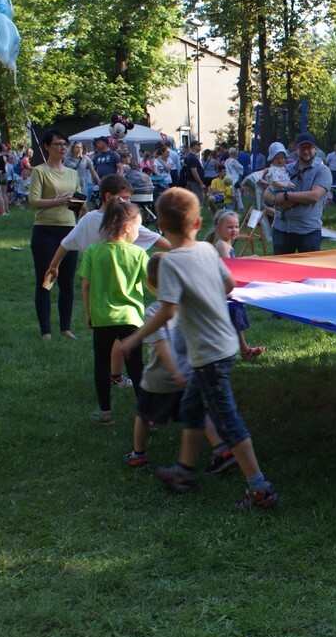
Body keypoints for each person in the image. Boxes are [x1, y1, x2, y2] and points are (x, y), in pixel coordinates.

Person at [119, 187, 279, 510]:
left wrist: (135, 338)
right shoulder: (208, 252)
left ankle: (259, 488)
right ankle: (184, 471)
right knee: (192, 409)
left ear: (161, 226)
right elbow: (230, 284)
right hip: (219, 345)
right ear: (198, 222)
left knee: (228, 420)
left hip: (209, 354)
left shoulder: (171, 263)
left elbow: (165, 311)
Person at [47, 174, 171, 387]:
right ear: (108, 196)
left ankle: (114, 378)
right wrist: (54, 265)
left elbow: (155, 239)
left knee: (113, 339)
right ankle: (120, 379)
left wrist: (54, 264)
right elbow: (66, 243)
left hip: (100, 294)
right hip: (118, 292)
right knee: (121, 338)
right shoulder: (115, 220)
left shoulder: (112, 219)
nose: (128, 203)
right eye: (124, 198)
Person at [124, 252, 236, 475]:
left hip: (160, 378)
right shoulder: (187, 307)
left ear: (150, 283)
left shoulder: (155, 312)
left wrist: (173, 370)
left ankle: (138, 455)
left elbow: (162, 343)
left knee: (143, 414)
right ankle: (220, 449)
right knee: (198, 413)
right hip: (190, 374)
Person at [77, 197, 149, 425]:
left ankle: (105, 412)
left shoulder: (93, 251)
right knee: (136, 366)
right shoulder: (138, 254)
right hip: (131, 320)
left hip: (102, 318)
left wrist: (88, 314)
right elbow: (151, 283)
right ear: (128, 228)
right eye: (138, 227)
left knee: (101, 364)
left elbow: (85, 285)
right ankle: (147, 415)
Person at [30, 128, 83, 340]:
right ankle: (46, 331)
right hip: (45, 232)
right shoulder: (40, 172)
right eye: (58, 144)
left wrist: (89, 213)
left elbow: (78, 205)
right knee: (47, 279)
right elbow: (34, 202)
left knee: (67, 282)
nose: (63, 148)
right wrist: (58, 201)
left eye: (65, 144)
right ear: (46, 147)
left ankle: (65, 327)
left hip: (69, 232)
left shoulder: (72, 173)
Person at [263, 132, 332, 255]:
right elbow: (267, 192)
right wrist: (275, 200)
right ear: (297, 149)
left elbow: (314, 196)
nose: (306, 151)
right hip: (282, 230)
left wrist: (286, 196)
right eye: (302, 148)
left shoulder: (323, 171)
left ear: (315, 149)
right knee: (281, 272)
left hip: (308, 231)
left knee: (309, 272)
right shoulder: (286, 169)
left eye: (309, 148)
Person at [212, 210, 265, 361]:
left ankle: (244, 349)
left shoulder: (226, 244)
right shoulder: (222, 245)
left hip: (227, 291)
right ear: (218, 228)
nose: (234, 230)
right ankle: (226, 353)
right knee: (228, 322)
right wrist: (247, 261)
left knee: (234, 320)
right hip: (222, 292)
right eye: (229, 227)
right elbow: (229, 267)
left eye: (236, 227)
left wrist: (248, 259)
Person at [184, 140, 206, 205]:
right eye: (198, 145)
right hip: (194, 182)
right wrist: (201, 183)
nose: (200, 147)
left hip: (194, 181)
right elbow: (194, 172)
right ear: (194, 146)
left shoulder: (194, 156)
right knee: (198, 199)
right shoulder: (192, 157)